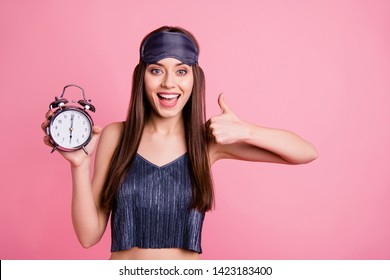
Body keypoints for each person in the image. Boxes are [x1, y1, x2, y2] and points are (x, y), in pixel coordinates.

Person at [41, 26, 317, 260]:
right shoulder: (116, 137)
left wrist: (244, 131)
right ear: (142, 77)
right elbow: (89, 236)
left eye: (181, 71)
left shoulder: (208, 141)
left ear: (195, 78)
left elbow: (305, 152)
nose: (169, 83)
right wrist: (79, 164)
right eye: (157, 70)